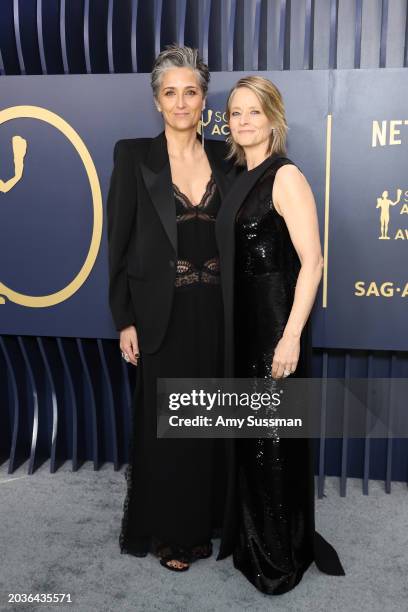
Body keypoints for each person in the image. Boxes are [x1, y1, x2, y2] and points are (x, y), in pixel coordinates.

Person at [106, 45, 238, 572]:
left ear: (204, 98)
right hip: (162, 313)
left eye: (191, 92)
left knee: (213, 421)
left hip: (220, 310)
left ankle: (208, 521)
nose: (181, 102)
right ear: (157, 101)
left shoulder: (230, 157)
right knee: (168, 428)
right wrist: (124, 319)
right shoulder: (134, 155)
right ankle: (172, 534)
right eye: (170, 93)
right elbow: (118, 243)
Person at [215, 76, 345, 594]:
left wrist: (290, 337)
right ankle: (254, 542)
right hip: (243, 323)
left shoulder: (285, 176)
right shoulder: (238, 176)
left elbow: (312, 262)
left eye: (253, 111)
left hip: (275, 322)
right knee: (252, 439)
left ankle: (280, 558)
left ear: (273, 117)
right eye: (235, 113)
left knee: (273, 442)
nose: (244, 121)